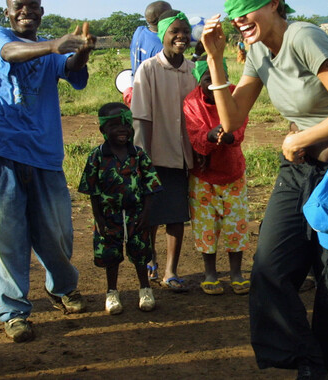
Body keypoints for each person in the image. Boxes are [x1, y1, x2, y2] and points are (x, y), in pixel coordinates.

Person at [201, 0, 328, 378]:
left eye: (246, 7)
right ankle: (309, 358)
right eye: (233, 12)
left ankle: (326, 365)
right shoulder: (258, 51)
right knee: (269, 268)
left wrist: (301, 138)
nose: (238, 18)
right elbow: (231, 120)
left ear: (274, 3)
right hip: (299, 167)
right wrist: (215, 60)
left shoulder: (304, 36)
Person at [0, 0, 94, 343]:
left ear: (41, 11)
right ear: (8, 12)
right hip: (2, 154)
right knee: (8, 238)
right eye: (19, 5)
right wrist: (54, 45)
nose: (25, 10)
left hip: (45, 154)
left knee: (57, 232)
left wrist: (82, 52)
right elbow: (10, 53)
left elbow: (69, 67)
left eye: (32, 5)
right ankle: (13, 310)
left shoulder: (49, 47)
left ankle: (62, 288)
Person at [132, 9, 197, 292]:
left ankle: (170, 270)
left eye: (185, 31)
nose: (181, 36)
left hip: (182, 155)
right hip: (154, 154)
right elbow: (142, 116)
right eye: (175, 32)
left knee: (175, 214)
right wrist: (141, 158)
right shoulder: (148, 69)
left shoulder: (193, 70)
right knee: (149, 215)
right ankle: (151, 260)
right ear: (163, 35)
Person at [78, 103, 162, 314]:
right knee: (110, 255)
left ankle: (145, 289)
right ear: (103, 130)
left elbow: (151, 186)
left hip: (137, 215)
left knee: (141, 253)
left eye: (125, 124)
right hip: (109, 216)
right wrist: (99, 219)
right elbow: (93, 192)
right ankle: (111, 292)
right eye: (115, 126)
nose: (122, 129)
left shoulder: (139, 155)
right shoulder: (97, 157)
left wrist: (146, 214)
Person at [184, 60, 250, 296]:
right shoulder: (191, 102)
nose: (213, 85)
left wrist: (229, 135)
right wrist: (211, 136)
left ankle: (236, 274)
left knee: (237, 225)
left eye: (218, 79)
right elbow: (196, 135)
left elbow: (239, 126)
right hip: (204, 176)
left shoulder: (234, 95)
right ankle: (210, 274)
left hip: (233, 173)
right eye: (207, 80)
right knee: (206, 226)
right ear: (198, 81)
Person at [123, 1, 172, 107]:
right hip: (155, 98)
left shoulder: (139, 31)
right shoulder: (162, 46)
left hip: (137, 91)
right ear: (163, 18)